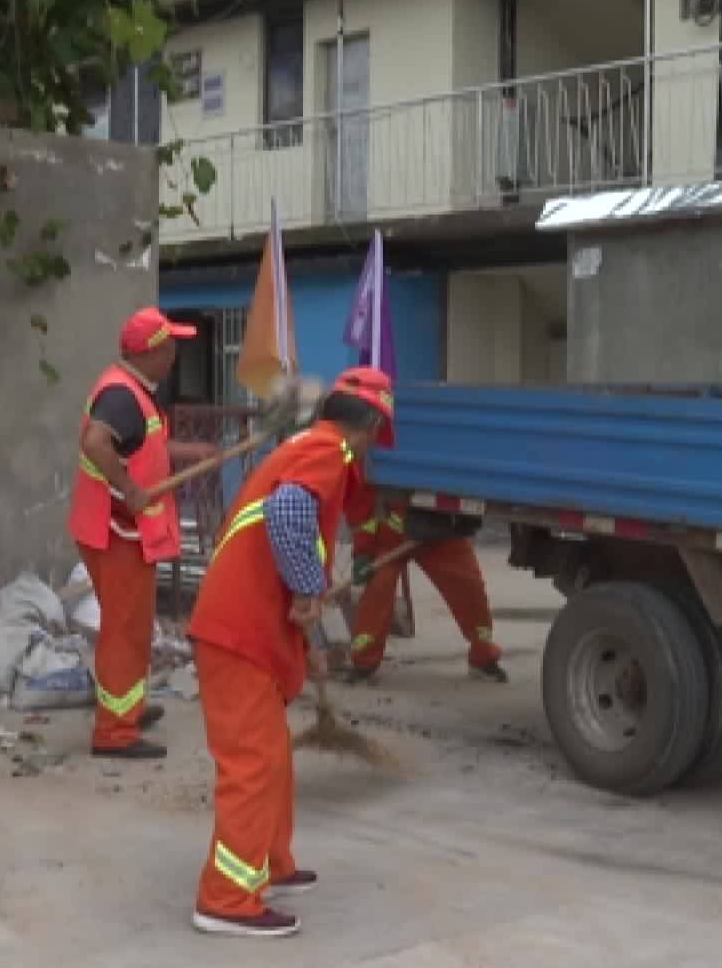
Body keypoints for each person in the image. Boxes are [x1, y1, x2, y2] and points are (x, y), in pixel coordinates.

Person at [186, 367, 395, 938]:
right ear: (371, 425)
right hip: (239, 631)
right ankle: (226, 899)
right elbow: (289, 517)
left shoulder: (304, 446)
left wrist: (311, 639)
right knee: (253, 764)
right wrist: (308, 590)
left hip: (249, 628)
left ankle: (269, 865)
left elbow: (291, 540)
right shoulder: (329, 452)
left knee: (271, 756)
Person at [69, 307, 219, 760]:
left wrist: (190, 452)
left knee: (131, 628)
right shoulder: (121, 395)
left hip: (114, 528)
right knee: (126, 631)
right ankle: (114, 732)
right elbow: (96, 442)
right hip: (117, 531)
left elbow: (142, 445)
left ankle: (127, 708)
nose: (175, 356)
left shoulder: (133, 390)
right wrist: (130, 488)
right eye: (170, 347)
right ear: (152, 352)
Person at [342, 490, 508, 685]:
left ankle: (483, 658)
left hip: (441, 531)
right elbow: (361, 505)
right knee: (376, 591)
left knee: (469, 591)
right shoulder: (367, 464)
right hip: (390, 534)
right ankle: (363, 664)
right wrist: (363, 552)